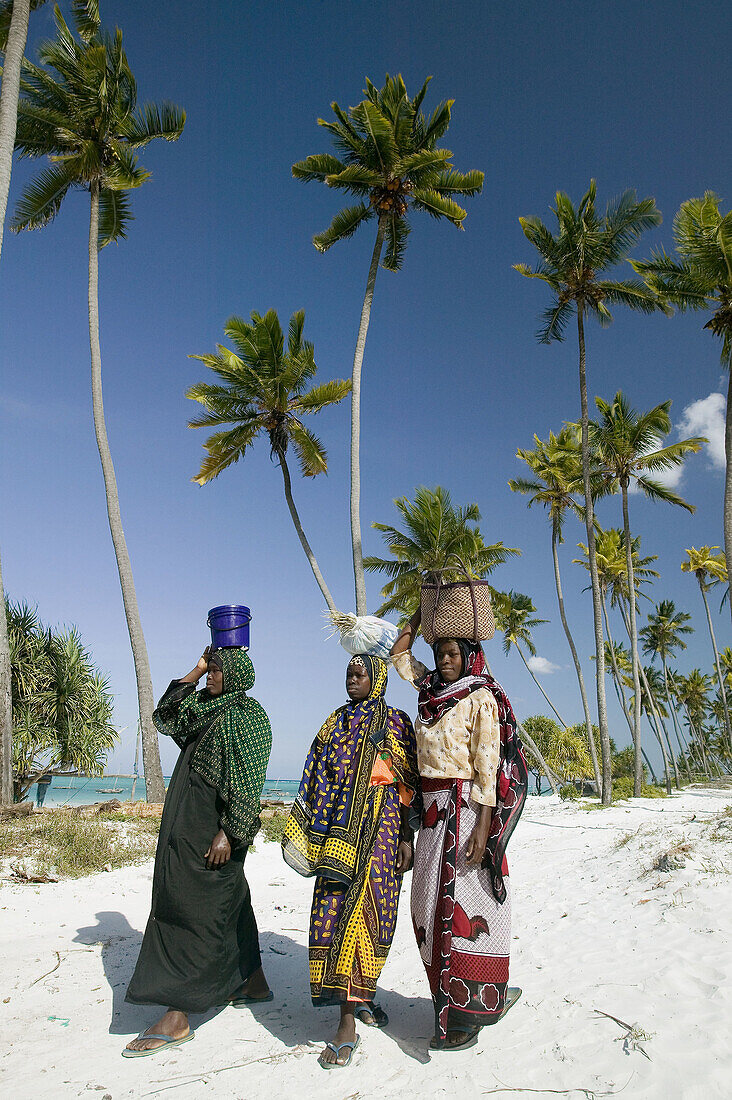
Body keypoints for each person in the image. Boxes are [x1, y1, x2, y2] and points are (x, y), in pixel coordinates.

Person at [123, 646, 273, 1057]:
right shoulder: (205, 709)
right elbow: (165, 716)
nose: (211, 676)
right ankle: (252, 980)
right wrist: (198, 667)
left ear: (237, 674)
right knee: (231, 900)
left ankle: (178, 1014)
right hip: (186, 822)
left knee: (193, 909)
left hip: (213, 829)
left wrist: (229, 832)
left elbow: (249, 780)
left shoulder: (246, 716)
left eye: (218, 670)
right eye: (211, 669)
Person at [391, 611, 527, 1052]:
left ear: (469, 656)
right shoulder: (432, 692)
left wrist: (484, 826)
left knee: (466, 906)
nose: (446, 660)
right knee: (426, 905)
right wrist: (418, 614)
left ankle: (471, 1014)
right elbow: (398, 655)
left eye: (453, 653)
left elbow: (487, 765)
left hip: (466, 813)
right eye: (440, 653)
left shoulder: (480, 697)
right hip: (433, 815)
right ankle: (446, 1002)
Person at [282, 653, 419, 1069]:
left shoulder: (396, 722)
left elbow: (411, 779)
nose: (352, 680)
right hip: (337, 838)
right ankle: (348, 1013)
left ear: (377, 678)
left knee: (370, 918)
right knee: (332, 914)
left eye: (360, 674)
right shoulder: (333, 724)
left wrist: (408, 836)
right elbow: (314, 774)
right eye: (348, 674)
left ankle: (354, 1011)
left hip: (381, 834)